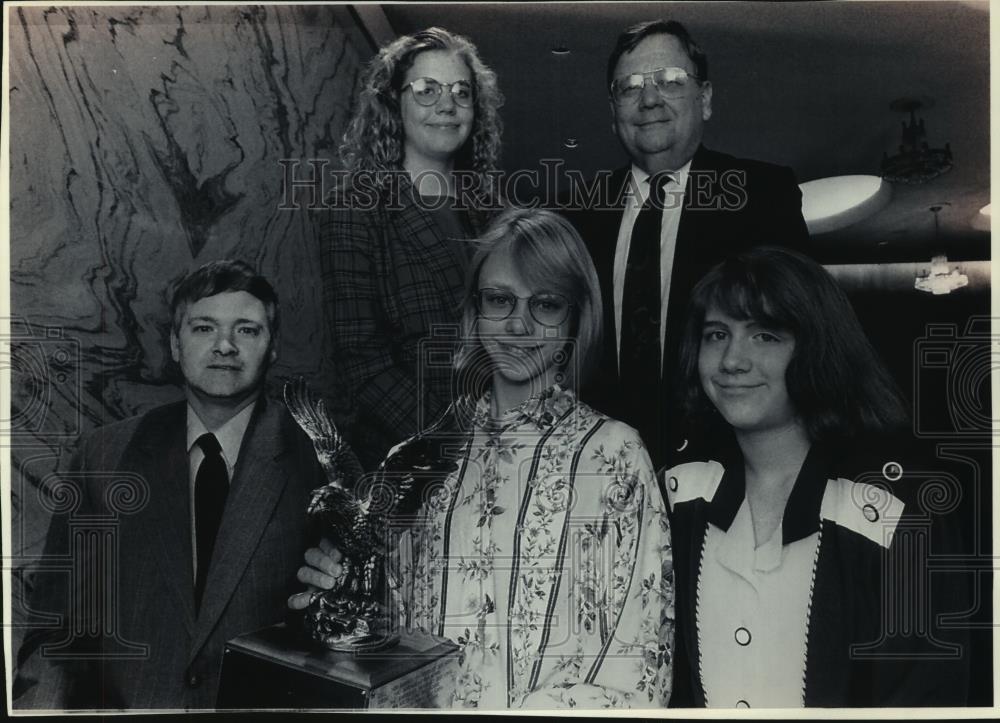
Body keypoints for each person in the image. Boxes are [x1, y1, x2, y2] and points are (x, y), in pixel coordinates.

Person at [292, 208, 674, 709]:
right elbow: (394, 644)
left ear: (576, 318)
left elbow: (640, 667)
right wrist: (339, 590)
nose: (518, 324)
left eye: (546, 304)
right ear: (474, 312)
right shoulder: (420, 459)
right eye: (499, 300)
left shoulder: (614, 455)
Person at [14, 261, 335, 709]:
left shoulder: (319, 458)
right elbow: (56, 632)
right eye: (204, 328)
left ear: (273, 346)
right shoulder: (104, 456)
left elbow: (347, 626)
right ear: (174, 344)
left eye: (246, 330)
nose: (224, 346)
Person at [664, 248, 970, 707]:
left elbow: (927, 697)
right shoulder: (678, 491)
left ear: (818, 348)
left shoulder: (896, 510)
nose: (731, 360)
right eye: (716, 334)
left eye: (765, 336)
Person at [566, 19, 809, 470]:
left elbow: (803, 335)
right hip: (598, 471)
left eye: (671, 81)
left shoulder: (761, 194)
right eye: (630, 86)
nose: (649, 99)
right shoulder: (574, 213)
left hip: (731, 468)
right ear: (612, 108)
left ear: (706, 98)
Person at [321, 26, 504, 471]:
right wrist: (458, 444)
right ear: (393, 102)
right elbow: (362, 363)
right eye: (427, 90)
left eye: (462, 92)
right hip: (406, 463)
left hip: (503, 452)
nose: (447, 104)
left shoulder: (495, 211)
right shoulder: (355, 207)